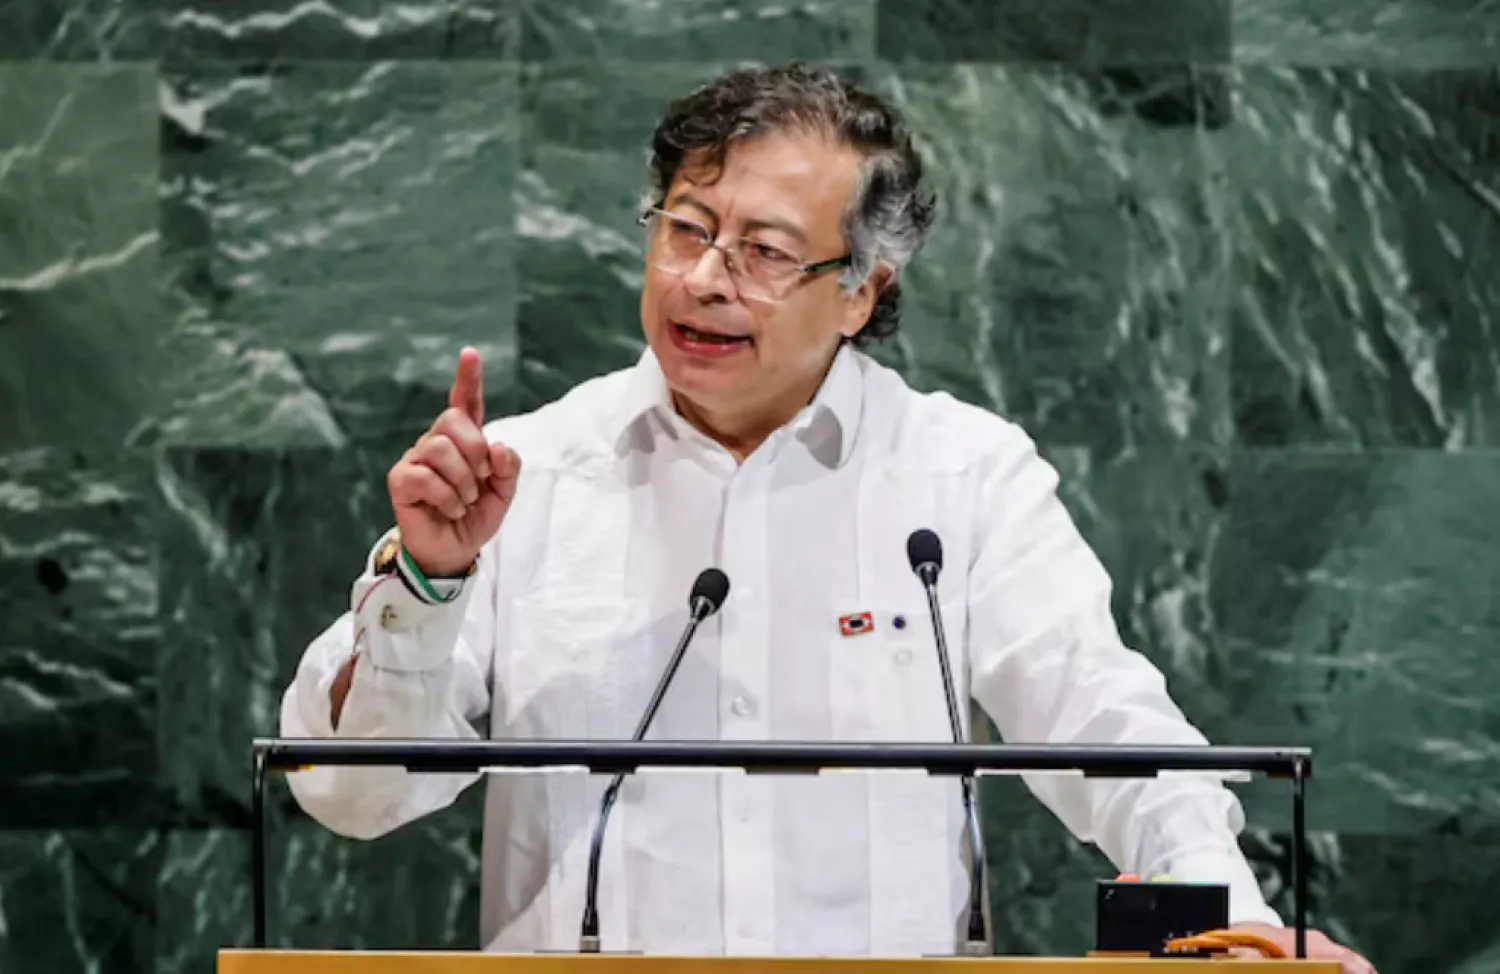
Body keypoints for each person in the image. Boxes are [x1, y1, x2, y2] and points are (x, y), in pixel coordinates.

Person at [280, 63, 1373, 971]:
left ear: (861, 289)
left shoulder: (963, 476)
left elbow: (1112, 731)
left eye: (760, 251)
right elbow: (347, 791)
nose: (705, 278)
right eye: (686, 228)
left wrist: (1245, 932)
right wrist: (427, 584)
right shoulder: (528, 472)